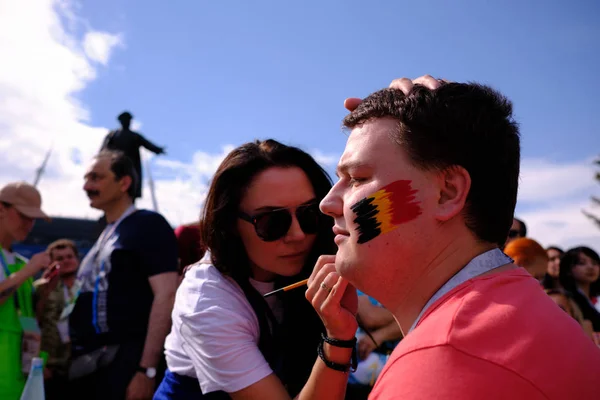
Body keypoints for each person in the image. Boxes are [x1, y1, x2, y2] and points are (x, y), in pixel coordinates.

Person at [319, 75, 600, 399]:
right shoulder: (522, 316)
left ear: (447, 193)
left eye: (357, 178)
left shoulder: (440, 363)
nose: (327, 203)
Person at [155, 139, 358, 399]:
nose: (297, 235)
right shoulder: (207, 301)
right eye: (272, 221)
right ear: (230, 224)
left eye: (309, 215)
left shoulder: (306, 266)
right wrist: (338, 338)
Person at [67, 150, 178, 400]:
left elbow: (166, 295)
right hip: (91, 360)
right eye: (86, 178)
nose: (87, 185)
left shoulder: (147, 224)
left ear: (124, 183)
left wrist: (146, 370)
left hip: (127, 361)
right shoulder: (106, 232)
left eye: (96, 178)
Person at [0, 181, 52, 400]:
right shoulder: (26, 267)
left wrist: (46, 291)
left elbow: (29, 318)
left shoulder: (21, 263)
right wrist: (28, 272)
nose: (30, 224)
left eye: (34, 219)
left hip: (20, 379)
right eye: (24, 216)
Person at [36, 239, 81, 400]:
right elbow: (33, 324)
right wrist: (39, 362)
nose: (66, 261)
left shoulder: (90, 287)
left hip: (82, 363)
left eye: (69, 256)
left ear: (77, 259)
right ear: (52, 263)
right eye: (60, 259)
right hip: (51, 365)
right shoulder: (40, 288)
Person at [100, 111, 166, 199]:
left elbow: (147, 144)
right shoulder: (113, 135)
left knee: (130, 190)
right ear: (121, 121)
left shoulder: (135, 136)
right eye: (125, 120)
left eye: (129, 120)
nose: (127, 122)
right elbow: (103, 149)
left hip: (131, 168)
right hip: (115, 167)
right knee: (113, 188)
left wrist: (158, 149)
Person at [558, 246, 600, 331]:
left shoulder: (591, 301)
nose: (590, 267)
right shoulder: (565, 300)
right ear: (568, 269)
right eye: (582, 263)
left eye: (595, 263)